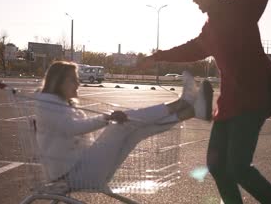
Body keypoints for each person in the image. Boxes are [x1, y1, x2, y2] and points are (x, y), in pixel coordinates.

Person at [141, 0, 271, 203]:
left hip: (252, 102)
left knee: (239, 168)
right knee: (217, 167)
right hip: (227, 107)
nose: (194, 0)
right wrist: (159, 56)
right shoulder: (210, 27)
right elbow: (192, 49)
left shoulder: (240, 9)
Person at [34, 61, 213, 192]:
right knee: (119, 125)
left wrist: (107, 119)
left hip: (81, 169)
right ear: (58, 82)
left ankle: (189, 112)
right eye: (73, 80)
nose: (78, 84)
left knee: (135, 129)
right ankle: (181, 104)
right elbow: (72, 128)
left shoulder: (58, 104)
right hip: (75, 174)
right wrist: (107, 118)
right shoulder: (47, 105)